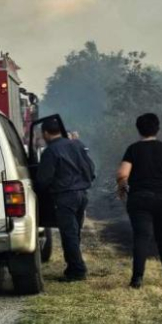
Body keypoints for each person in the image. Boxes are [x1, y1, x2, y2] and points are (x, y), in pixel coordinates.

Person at [115, 113, 162, 288]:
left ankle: (137, 279)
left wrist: (122, 186)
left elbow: (122, 174)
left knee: (141, 237)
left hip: (139, 199)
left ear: (138, 129)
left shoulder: (133, 149)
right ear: (157, 128)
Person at [35, 117, 97, 282]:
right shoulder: (77, 145)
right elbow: (91, 169)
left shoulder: (51, 152)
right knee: (74, 233)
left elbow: (43, 179)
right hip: (82, 195)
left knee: (69, 234)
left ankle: (77, 271)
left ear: (46, 133)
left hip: (64, 197)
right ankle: (73, 266)